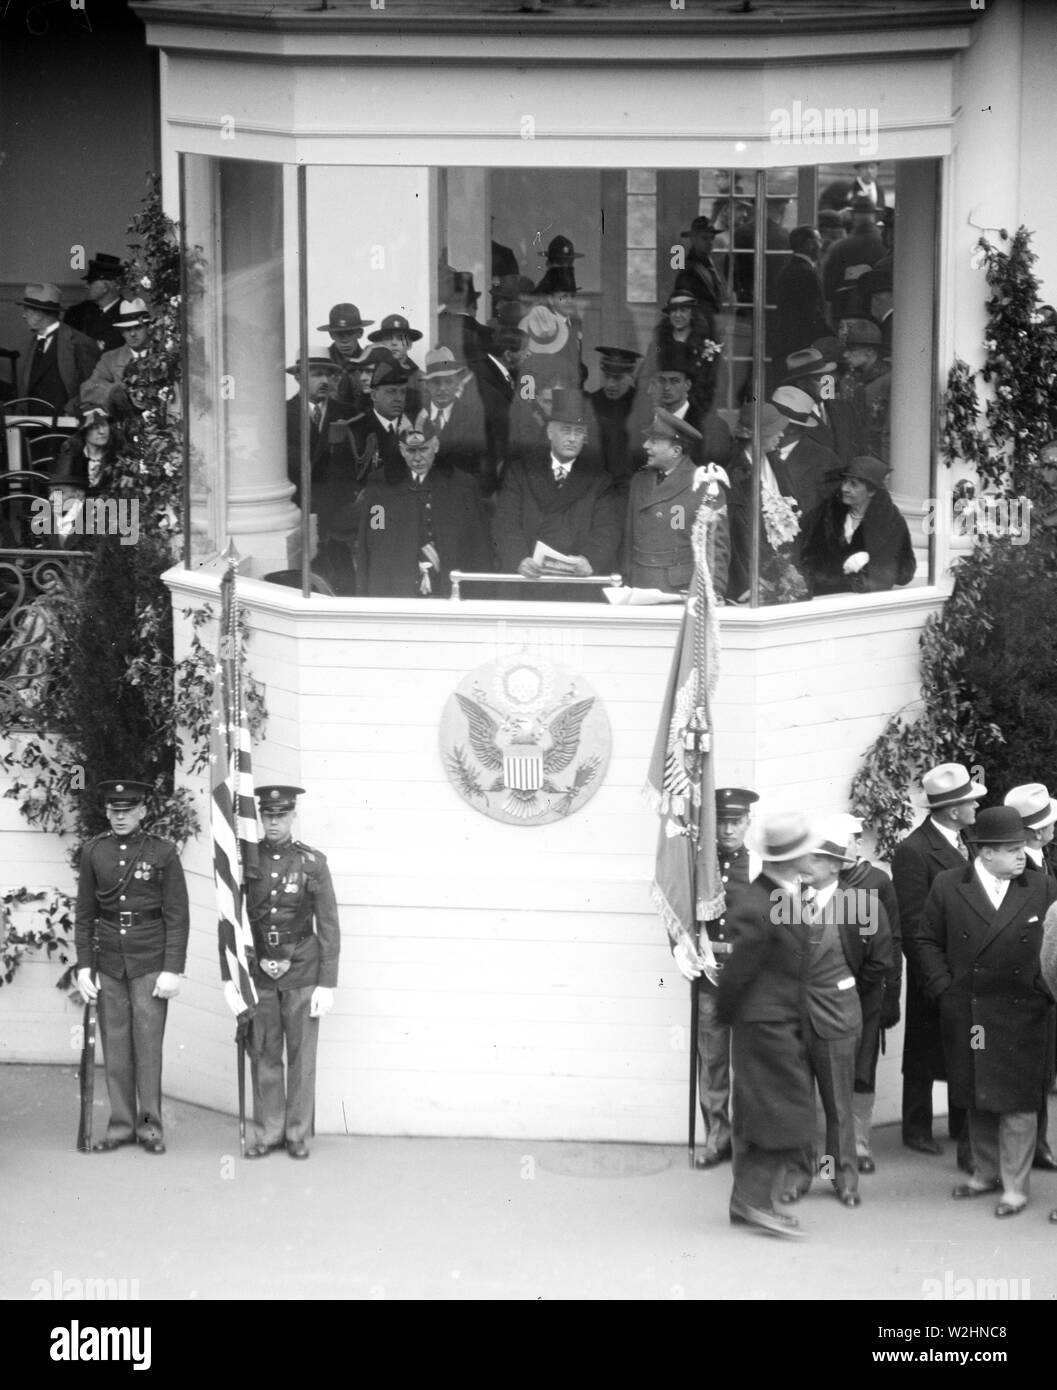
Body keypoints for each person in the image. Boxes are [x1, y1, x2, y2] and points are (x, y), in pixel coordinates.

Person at [915, 806, 1057, 1219]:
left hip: (1024, 1011)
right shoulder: (948, 885)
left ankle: (1015, 1186)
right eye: (1012, 849)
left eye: (1023, 847)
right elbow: (926, 941)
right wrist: (945, 989)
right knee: (976, 1093)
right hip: (970, 1010)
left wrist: (1043, 991)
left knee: (1018, 1102)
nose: (1021, 856)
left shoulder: (1044, 886)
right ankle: (985, 1173)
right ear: (986, 852)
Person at [716, 811, 821, 1239]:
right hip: (764, 1027)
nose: (813, 855)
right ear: (791, 858)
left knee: (774, 1112)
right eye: (806, 850)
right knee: (780, 1114)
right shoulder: (757, 902)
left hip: (777, 1023)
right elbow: (736, 973)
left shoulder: (776, 895)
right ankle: (753, 1202)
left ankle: (750, 1201)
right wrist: (732, 1021)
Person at [781, 817, 892, 1209]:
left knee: (838, 1106)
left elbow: (879, 963)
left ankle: (842, 1177)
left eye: (814, 856)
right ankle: (799, 1176)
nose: (805, 863)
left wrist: (843, 993)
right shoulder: (785, 903)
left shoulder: (862, 905)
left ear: (834, 864)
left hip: (838, 1018)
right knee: (799, 1104)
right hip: (794, 1022)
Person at [74, 779, 190, 1155]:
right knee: (117, 1048)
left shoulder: (163, 852)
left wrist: (173, 968)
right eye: (114, 810)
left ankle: (150, 1128)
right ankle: (121, 1126)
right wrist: (83, 967)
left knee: (148, 1048)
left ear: (142, 811)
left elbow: (177, 915)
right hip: (108, 961)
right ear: (107, 811)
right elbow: (85, 915)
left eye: (128, 810)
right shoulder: (94, 851)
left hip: (149, 962)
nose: (120, 817)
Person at [239, 785, 341, 1160]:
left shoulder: (312, 863)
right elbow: (234, 922)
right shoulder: (247, 863)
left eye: (281, 815)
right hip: (261, 971)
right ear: (261, 818)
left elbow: (328, 925)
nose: (274, 822)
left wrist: (326, 983)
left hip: (301, 969)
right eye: (268, 815)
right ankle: (268, 1132)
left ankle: (296, 1133)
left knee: (301, 1057)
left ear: (292, 816)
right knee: (264, 1052)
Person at [892, 762, 985, 1167]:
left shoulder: (970, 842)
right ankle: (915, 1127)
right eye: (971, 803)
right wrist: (934, 976)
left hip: (967, 966)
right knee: (925, 1047)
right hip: (937, 967)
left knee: (964, 1047)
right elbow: (912, 925)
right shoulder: (914, 851)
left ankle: (961, 1124)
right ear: (951, 810)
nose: (976, 809)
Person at [671, 788, 760, 1169]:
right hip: (710, 977)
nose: (727, 830)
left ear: (748, 823)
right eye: (721, 821)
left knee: (752, 1062)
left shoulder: (759, 868)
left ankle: (750, 1139)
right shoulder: (699, 867)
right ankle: (717, 1137)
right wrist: (677, 947)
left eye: (735, 822)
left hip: (751, 982)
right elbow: (681, 911)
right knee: (713, 1061)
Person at [492, 386, 621, 601]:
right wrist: (519, 559)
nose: (572, 439)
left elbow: (607, 529)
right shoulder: (522, 471)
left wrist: (590, 559)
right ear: (550, 432)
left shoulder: (599, 480)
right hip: (528, 583)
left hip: (574, 589)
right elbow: (505, 522)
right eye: (565, 430)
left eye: (578, 432)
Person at [355, 418, 493, 598]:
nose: (418, 457)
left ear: (435, 446)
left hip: (449, 591)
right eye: (411, 451)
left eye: (424, 449)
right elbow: (374, 538)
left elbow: (479, 546)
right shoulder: (381, 487)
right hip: (398, 591)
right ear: (402, 450)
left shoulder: (463, 487)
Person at [835, 814, 902, 1175]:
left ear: (858, 844)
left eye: (846, 841)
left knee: (863, 1069)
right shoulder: (818, 883)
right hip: (827, 995)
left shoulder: (877, 881)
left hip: (868, 994)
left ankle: (860, 1142)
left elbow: (893, 941)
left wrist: (892, 994)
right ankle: (832, 1143)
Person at [1003, 783, 1057, 1171]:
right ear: (1036, 831)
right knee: (1023, 1071)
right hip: (1028, 984)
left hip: (1043, 986)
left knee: (1041, 1070)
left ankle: (1038, 1144)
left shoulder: (1041, 858)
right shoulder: (1020, 869)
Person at [622, 409, 730, 597]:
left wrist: (713, 593)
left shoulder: (705, 487)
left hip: (681, 591)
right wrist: (626, 582)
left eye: (654, 441)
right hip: (639, 587)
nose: (646, 445)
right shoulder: (639, 481)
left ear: (676, 451)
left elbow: (716, 549)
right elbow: (628, 540)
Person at [800, 454, 915, 596]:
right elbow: (804, 556)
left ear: (871, 491)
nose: (845, 489)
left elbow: (906, 571)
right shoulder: (824, 514)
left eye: (853, 484)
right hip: (823, 600)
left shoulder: (891, 521)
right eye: (845, 482)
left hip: (864, 605)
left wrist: (869, 560)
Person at [16, 282, 100, 415]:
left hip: (64, 427)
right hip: (32, 425)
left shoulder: (79, 342)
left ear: (39, 312)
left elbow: (92, 387)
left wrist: (71, 411)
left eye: (27, 310)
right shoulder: (35, 341)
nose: (24, 315)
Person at [420, 347, 493, 497]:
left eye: (448, 381)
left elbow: (481, 468)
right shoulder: (415, 415)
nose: (442, 388)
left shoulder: (473, 417)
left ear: (458, 382)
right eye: (435, 382)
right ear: (426, 385)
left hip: (458, 498)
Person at [284, 350, 343, 509]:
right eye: (317, 375)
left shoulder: (346, 413)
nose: (324, 381)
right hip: (299, 503)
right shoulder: (281, 414)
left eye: (328, 375)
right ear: (298, 377)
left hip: (338, 504)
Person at [79, 298, 154, 415]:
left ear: (149, 328)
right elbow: (88, 389)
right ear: (121, 333)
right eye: (127, 329)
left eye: (138, 327)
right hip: (125, 420)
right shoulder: (110, 358)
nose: (133, 334)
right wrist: (118, 392)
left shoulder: (161, 355)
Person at [772, 225, 833, 369]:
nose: (821, 244)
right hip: (802, 342)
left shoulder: (790, 268)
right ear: (810, 244)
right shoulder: (806, 272)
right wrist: (831, 336)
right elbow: (812, 313)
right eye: (819, 240)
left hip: (789, 339)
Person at [586, 346, 642, 490]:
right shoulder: (591, 403)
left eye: (617, 378)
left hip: (630, 488)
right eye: (606, 376)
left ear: (630, 376)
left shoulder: (641, 405)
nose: (611, 383)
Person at [822, 197, 885, 322]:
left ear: (852, 215)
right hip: (879, 317)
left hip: (846, 317)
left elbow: (827, 290)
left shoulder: (838, 248)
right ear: (875, 216)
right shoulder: (886, 246)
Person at [837, 317, 891, 461]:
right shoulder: (848, 380)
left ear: (869, 351)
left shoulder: (889, 381)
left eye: (851, 350)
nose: (845, 355)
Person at [672, 215, 728, 340]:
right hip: (698, 333)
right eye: (705, 238)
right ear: (693, 239)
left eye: (712, 238)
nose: (710, 243)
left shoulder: (710, 263)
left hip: (714, 328)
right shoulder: (688, 270)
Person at [319, 302, 375, 417]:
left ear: (360, 333)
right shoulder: (322, 362)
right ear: (331, 335)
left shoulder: (371, 362)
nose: (344, 340)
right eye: (339, 334)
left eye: (349, 333)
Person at [64, 253, 127, 352]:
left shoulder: (129, 314)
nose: (86, 286)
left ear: (105, 288)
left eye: (91, 282)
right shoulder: (76, 313)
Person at [819, 161, 887, 214]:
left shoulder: (880, 191)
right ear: (858, 170)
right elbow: (825, 207)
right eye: (865, 168)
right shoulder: (843, 187)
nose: (869, 171)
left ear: (877, 170)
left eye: (872, 167)